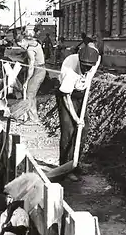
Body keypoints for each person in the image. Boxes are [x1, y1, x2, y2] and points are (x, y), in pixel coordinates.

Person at [56, 44, 100, 181]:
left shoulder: (95, 59)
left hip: (81, 94)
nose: (87, 69)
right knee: (68, 130)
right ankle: (65, 167)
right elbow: (66, 97)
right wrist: (76, 118)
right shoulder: (71, 71)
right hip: (66, 95)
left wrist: (80, 121)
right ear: (80, 61)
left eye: (90, 67)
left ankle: (75, 162)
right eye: (85, 66)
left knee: (84, 128)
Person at [19, 31, 47, 125]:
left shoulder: (30, 49)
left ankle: (33, 119)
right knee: (32, 94)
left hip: (37, 71)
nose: (21, 47)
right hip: (41, 69)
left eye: (20, 45)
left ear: (23, 40)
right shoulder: (36, 43)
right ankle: (33, 117)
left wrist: (26, 81)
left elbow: (31, 66)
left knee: (29, 94)